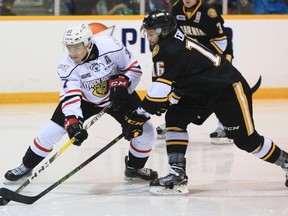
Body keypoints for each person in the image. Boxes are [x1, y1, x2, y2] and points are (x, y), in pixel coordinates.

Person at [122, 10, 288, 195]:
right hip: (201, 92)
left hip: (228, 90)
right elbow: (179, 78)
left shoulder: (168, 49)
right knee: (175, 118)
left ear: (163, 31)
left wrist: (139, 114)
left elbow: (158, 92)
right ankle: (177, 173)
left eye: (151, 33)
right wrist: (165, 102)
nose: (148, 37)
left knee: (247, 141)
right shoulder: (168, 43)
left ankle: (286, 162)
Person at [3, 22, 158, 184]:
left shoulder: (112, 46)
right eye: (69, 47)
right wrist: (73, 123)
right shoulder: (66, 66)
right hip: (85, 101)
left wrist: (124, 84)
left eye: (77, 47)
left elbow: (133, 68)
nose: (73, 52)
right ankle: (26, 165)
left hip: (119, 96)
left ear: (88, 43)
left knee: (146, 131)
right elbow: (70, 95)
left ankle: (134, 168)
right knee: (50, 132)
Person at [156, 0, 234, 145]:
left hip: (217, 55)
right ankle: (172, 123)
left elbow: (221, 42)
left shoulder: (209, 12)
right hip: (193, 57)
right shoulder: (177, 8)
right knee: (179, 86)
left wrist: (205, 62)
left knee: (219, 90)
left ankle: (225, 126)